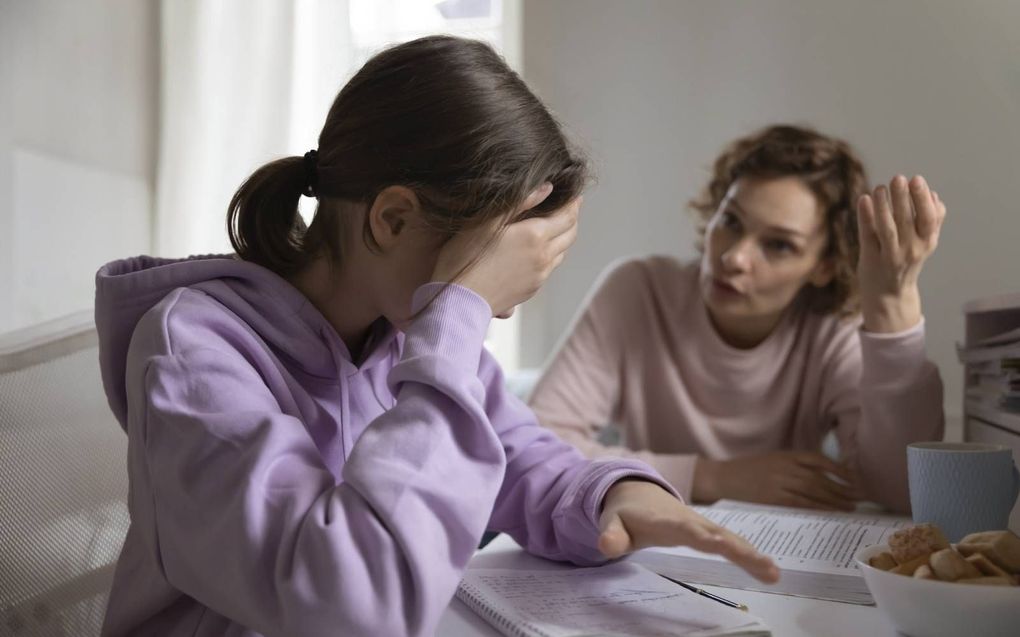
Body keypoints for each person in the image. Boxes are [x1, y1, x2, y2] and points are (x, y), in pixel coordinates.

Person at [94, 37, 777, 637]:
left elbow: (524, 456)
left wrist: (616, 493)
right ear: (393, 219)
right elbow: (350, 604)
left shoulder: (402, 336)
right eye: (486, 278)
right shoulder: (195, 354)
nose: (493, 316)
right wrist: (459, 313)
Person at [529, 124, 946, 515]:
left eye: (779, 245)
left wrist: (892, 306)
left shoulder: (833, 329)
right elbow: (536, 445)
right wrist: (714, 477)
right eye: (730, 221)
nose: (734, 258)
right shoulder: (638, 291)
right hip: (647, 540)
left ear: (824, 266)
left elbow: (901, 492)